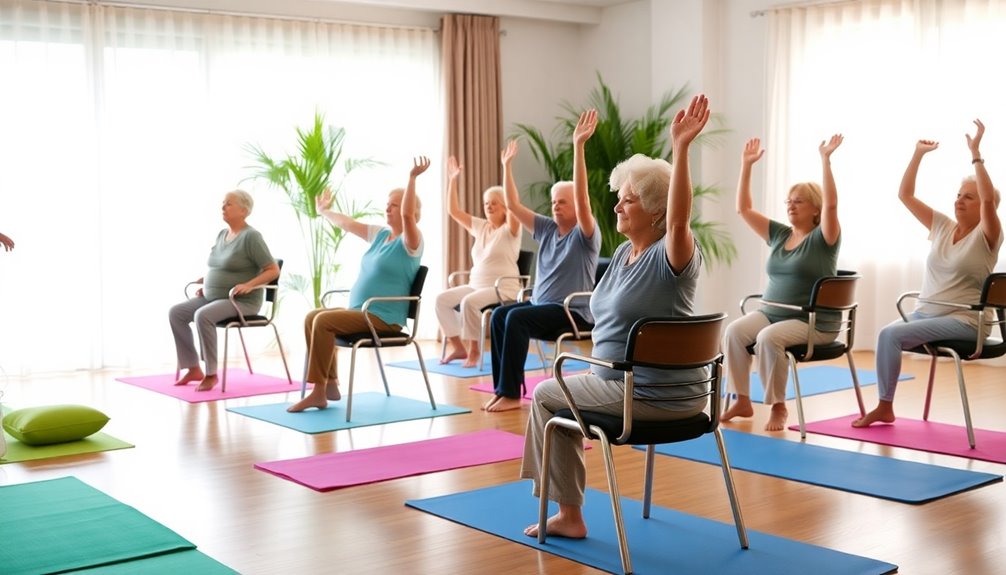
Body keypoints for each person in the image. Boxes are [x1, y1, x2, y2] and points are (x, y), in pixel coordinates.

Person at [520, 97, 709, 539]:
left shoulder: (672, 254)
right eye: (619, 199)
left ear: (656, 211)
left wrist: (680, 150)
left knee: (548, 394)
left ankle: (568, 514)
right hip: (620, 383)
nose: (618, 207)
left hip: (648, 395)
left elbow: (681, 222)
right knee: (561, 391)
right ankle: (564, 502)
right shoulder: (624, 252)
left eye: (629, 201)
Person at [853, 121, 1002, 428]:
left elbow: (989, 200)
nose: (959, 200)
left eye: (968, 197)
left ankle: (884, 405)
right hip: (927, 315)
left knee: (890, 334)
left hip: (966, 322)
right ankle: (885, 406)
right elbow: (905, 195)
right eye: (959, 194)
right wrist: (918, 154)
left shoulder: (988, 236)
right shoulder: (943, 226)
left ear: (986, 207)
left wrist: (976, 155)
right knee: (887, 334)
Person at [719, 135, 844, 431]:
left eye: (798, 202)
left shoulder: (824, 239)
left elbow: (833, 206)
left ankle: (779, 407)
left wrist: (825, 160)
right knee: (734, 332)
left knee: (768, 338)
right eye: (788, 201)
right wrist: (746, 165)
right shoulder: (779, 234)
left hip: (813, 321)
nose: (791, 206)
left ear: (816, 208)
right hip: (772, 313)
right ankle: (742, 399)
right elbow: (744, 209)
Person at [287, 156, 430, 413]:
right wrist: (324, 212)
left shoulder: (411, 243)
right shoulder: (381, 235)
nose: (388, 209)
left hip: (383, 318)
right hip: (361, 313)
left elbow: (408, 215)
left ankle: (318, 392)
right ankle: (329, 382)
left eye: (394, 205)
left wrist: (411, 178)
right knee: (313, 316)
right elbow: (347, 224)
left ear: (412, 213)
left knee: (323, 321)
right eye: (387, 205)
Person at [484, 133, 601, 413]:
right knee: (500, 315)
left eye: (563, 201)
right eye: (554, 201)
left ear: (576, 206)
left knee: (516, 318)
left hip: (571, 312)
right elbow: (512, 205)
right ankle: (504, 389)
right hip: (542, 306)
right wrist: (507, 166)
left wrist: (578, 146)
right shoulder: (547, 228)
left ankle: (512, 394)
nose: (555, 205)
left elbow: (584, 201)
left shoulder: (586, 235)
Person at [169, 190, 280, 392]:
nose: (223, 207)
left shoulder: (251, 237)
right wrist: (208, 282)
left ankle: (211, 374)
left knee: (203, 315)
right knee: (176, 313)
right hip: (213, 297)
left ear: (244, 211)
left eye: (228, 204)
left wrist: (250, 285)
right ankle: (193, 368)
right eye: (223, 203)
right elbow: (219, 266)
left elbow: (273, 270)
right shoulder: (222, 234)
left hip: (242, 302)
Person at [436, 155, 521, 368]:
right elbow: (453, 211)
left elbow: (514, 204)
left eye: (494, 203)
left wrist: (507, 167)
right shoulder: (480, 226)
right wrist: (453, 179)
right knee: (442, 300)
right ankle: (459, 347)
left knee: (469, 303)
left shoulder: (510, 229)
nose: (489, 207)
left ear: (504, 207)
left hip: (503, 288)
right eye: (486, 203)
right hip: (476, 286)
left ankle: (475, 350)